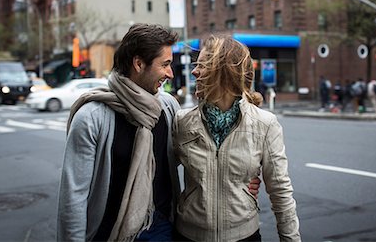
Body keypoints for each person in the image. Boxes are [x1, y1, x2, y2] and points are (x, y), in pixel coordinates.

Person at [57, 23, 260, 242]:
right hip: (110, 232)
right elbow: (73, 196)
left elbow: (196, 154)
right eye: (165, 65)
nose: (171, 74)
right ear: (138, 64)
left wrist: (240, 175)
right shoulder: (92, 117)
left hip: (162, 227)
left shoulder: (167, 107)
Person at [173, 36, 301, 242]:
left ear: (224, 72)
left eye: (203, 65)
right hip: (188, 235)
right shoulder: (182, 122)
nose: (194, 71)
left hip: (244, 235)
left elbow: (281, 192)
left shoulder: (265, 124)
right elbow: (159, 177)